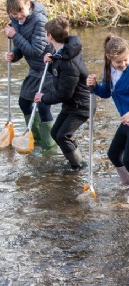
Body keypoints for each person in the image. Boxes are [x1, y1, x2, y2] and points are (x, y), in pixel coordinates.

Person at [86, 35, 129, 192]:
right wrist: (94, 86)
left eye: (126, 60)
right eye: (118, 62)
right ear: (110, 59)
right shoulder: (109, 69)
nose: (123, 64)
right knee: (114, 154)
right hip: (127, 120)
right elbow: (106, 92)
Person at [34, 17, 90, 171]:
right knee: (55, 132)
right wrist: (52, 60)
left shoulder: (68, 61)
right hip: (72, 104)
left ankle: (78, 166)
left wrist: (43, 98)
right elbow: (60, 73)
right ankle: (75, 157)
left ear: (50, 36)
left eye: (46, 33)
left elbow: (64, 93)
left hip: (81, 106)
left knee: (62, 136)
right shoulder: (63, 52)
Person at [4, 0, 56, 151]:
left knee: (42, 105)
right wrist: (14, 54)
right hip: (35, 69)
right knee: (24, 102)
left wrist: (14, 36)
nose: (18, 16)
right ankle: (36, 139)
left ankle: (50, 146)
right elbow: (22, 47)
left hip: (49, 67)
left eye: (20, 11)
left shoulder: (40, 20)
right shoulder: (15, 20)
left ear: (28, 5)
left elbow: (36, 50)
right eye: (14, 14)